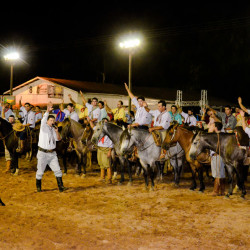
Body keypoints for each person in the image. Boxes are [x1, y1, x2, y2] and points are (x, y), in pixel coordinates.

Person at [36, 102, 66, 192]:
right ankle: (38, 187)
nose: (52, 122)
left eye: (53, 121)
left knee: (57, 170)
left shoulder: (53, 129)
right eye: (51, 121)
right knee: (40, 171)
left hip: (52, 153)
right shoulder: (43, 128)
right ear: (47, 121)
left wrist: (56, 131)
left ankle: (61, 186)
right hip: (42, 153)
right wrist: (47, 111)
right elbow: (43, 119)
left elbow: (59, 139)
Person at [89, 117, 113, 184]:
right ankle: (102, 177)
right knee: (101, 164)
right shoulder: (99, 129)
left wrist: (109, 151)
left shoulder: (109, 131)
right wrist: (90, 121)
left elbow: (111, 142)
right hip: (100, 148)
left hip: (106, 148)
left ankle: (109, 179)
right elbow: (93, 127)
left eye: (106, 122)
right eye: (103, 122)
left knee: (107, 164)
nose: (104, 123)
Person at [209, 122, 226, 196]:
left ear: (215, 127)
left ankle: (215, 191)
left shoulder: (215, 135)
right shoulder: (222, 134)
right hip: (220, 156)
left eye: (212, 125)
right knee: (221, 173)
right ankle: (222, 191)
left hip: (217, 156)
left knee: (217, 174)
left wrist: (210, 130)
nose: (211, 126)